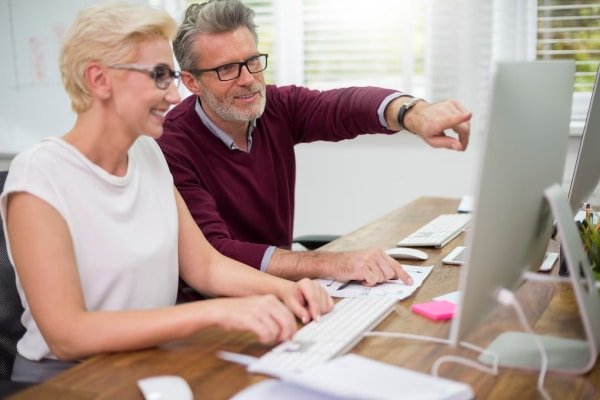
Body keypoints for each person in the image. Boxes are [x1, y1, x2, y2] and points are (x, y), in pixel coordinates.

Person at [0, 3, 332, 383]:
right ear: (99, 79)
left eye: (172, 76)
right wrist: (214, 313)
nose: (175, 96)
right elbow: (68, 335)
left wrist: (288, 292)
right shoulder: (41, 173)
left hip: (151, 364)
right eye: (159, 76)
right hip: (71, 379)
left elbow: (205, 267)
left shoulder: (148, 154)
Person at [158, 0, 471, 290]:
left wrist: (413, 114)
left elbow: (344, 107)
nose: (248, 79)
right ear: (192, 82)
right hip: (216, 309)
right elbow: (215, 252)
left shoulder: (276, 106)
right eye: (227, 69)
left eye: (253, 61)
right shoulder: (172, 144)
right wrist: (327, 262)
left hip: (284, 294)